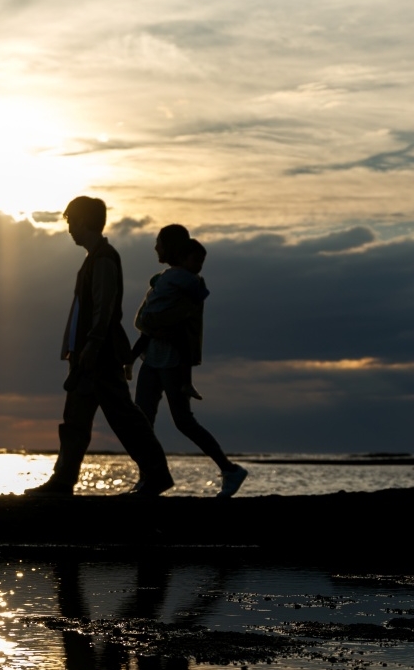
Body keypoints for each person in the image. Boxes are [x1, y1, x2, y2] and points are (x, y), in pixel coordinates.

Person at [26, 196, 175, 497]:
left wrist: (92, 346)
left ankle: (156, 475)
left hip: (99, 355)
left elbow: (104, 308)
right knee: (76, 420)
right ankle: (63, 481)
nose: (69, 229)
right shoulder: (94, 258)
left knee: (123, 416)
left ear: (83, 221)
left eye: (70, 222)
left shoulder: (104, 258)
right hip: (88, 355)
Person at [132, 225, 248, 498]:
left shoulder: (188, 284)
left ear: (172, 247)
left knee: (183, 421)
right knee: (141, 421)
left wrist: (152, 327)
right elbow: (150, 318)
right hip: (152, 357)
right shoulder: (164, 279)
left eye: (158, 242)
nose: (155, 248)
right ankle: (148, 476)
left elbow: (178, 322)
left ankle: (229, 470)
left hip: (172, 360)